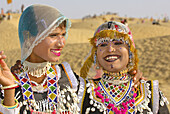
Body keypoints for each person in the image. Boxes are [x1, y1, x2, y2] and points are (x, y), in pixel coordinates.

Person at [0, 4, 143, 114]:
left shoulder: (69, 78)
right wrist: (8, 89)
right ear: (28, 37)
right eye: (53, 35)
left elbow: (107, 94)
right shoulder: (10, 80)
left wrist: (128, 76)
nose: (61, 43)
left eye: (63, 35)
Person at [79, 21, 169, 114]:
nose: (110, 49)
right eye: (103, 44)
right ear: (96, 54)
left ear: (130, 51)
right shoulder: (83, 91)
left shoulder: (150, 91)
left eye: (118, 43)